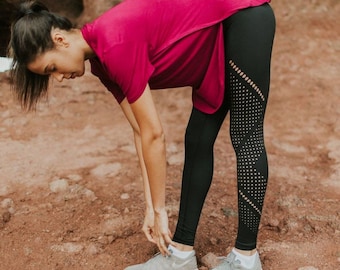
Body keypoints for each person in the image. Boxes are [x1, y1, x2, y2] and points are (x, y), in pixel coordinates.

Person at [8, 0, 275, 269]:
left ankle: (245, 258)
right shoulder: (101, 63)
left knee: (245, 134)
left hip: (242, 17)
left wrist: (160, 211)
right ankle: (181, 256)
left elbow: (154, 134)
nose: (58, 79)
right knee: (197, 140)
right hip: (211, 46)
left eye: (51, 68)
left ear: (60, 39)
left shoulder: (113, 42)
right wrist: (150, 206)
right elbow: (139, 131)